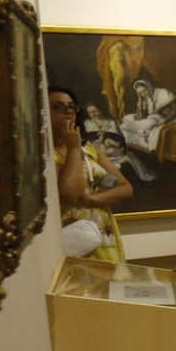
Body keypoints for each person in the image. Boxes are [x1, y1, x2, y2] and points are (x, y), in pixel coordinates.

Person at [51, 86, 132, 263]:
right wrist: (73, 147)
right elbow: (71, 194)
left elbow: (125, 188)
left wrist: (95, 198)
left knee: (109, 286)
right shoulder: (46, 156)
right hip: (72, 237)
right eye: (58, 107)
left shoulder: (90, 149)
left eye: (71, 107)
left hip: (104, 233)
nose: (67, 112)